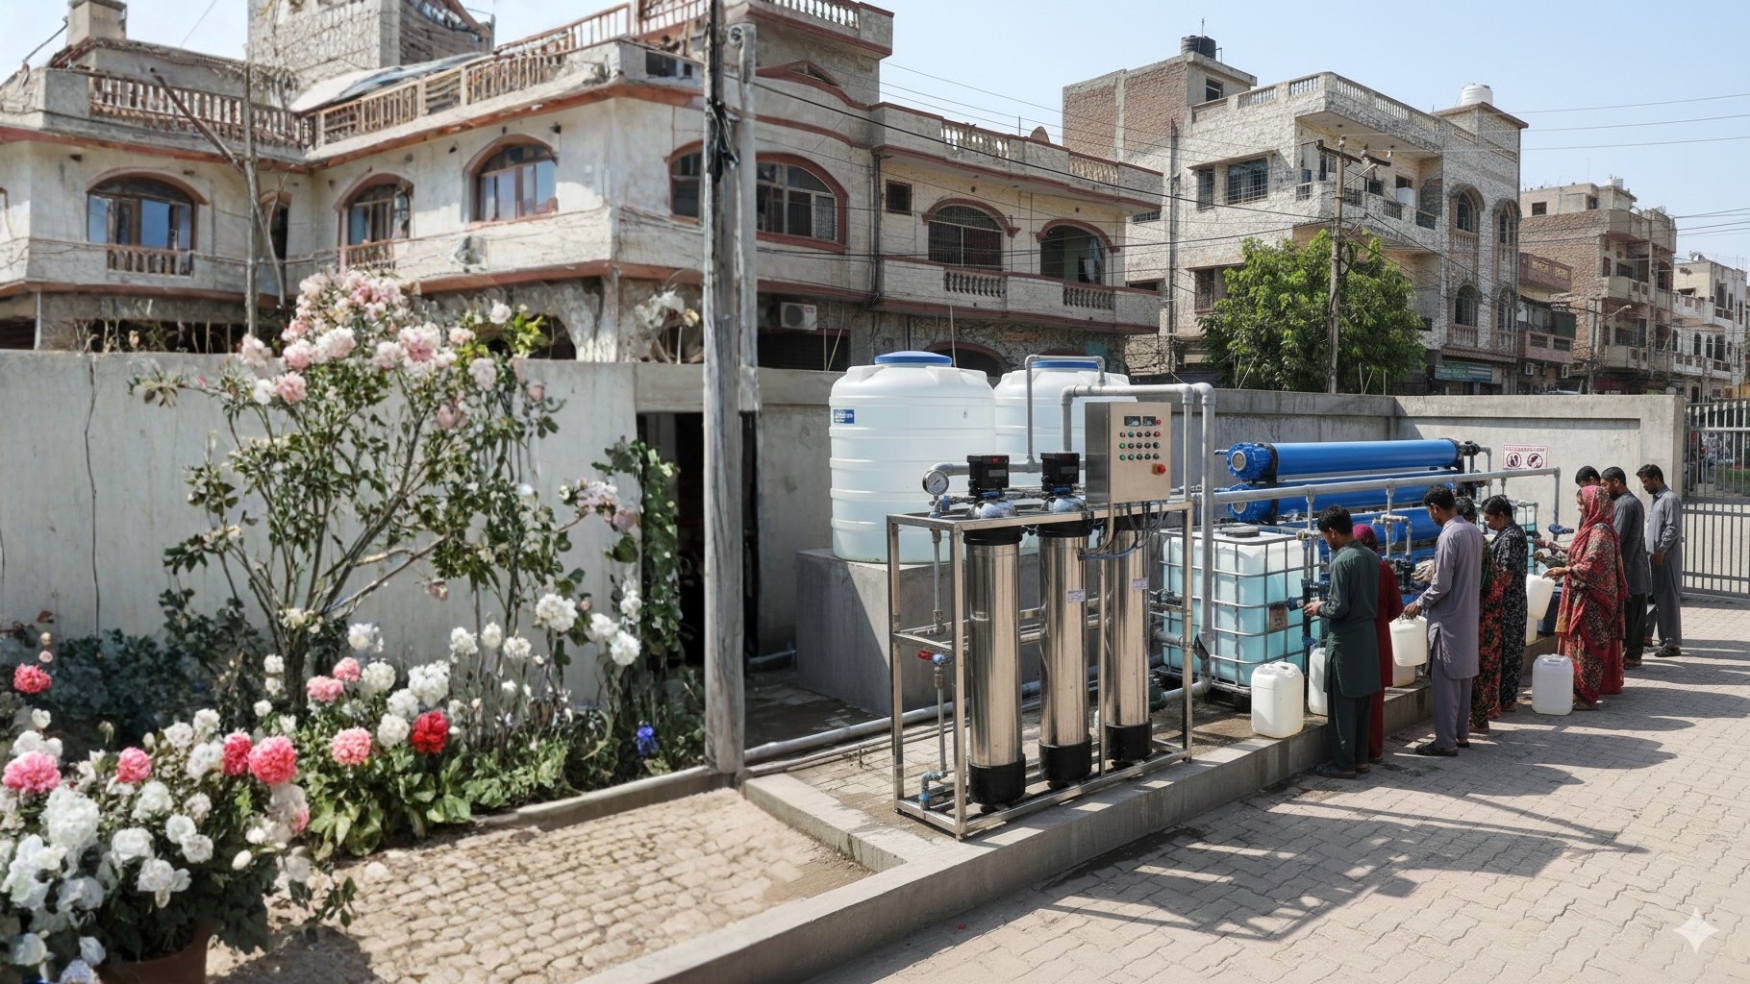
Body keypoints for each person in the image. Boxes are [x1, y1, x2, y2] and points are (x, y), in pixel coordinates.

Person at [1403, 486, 1482, 756]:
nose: (1430, 517)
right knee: (1463, 680)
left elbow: (1442, 584)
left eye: (1429, 512)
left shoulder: (1448, 536)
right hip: (1468, 617)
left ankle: (1445, 742)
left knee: (1446, 684)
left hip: (1448, 620)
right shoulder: (1473, 532)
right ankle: (1460, 735)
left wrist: (1418, 603)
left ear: (1436, 508)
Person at [1304, 506, 1381, 779]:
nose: (1326, 541)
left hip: (1346, 642)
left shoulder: (1341, 561)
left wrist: (1318, 607)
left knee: (1342, 708)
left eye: (1325, 536)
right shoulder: (1371, 557)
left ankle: (1344, 764)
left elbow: (1338, 607)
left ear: (1333, 532)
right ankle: (1360, 760)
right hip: (1367, 640)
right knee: (1362, 704)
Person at [1545, 485, 1628, 708]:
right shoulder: (1592, 528)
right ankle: (1581, 690)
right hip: (1586, 595)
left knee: (1587, 646)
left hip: (1593, 599)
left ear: (1594, 504)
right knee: (1581, 644)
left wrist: (1566, 571)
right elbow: (1578, 554)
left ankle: (1586, 696)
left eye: (1582, 503)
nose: (1579, 508)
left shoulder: (1600, 530)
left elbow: (1591, 564)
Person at [1352, 523, 1403, 764]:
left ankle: (1355, 751)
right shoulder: (1385, 568)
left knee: (1355, 696)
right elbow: (1396, 608)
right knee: (1376, 698)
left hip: (1357, 638)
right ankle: (1374, 749)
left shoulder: (1350, 565)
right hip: (1380, 637)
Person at [1456, 497, 1504, 733]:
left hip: (1480, 613)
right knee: (1485, 666)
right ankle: (1480, 716)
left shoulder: (1469, 539)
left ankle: (1477, 719)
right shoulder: (1479, 539)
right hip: (1489, 612)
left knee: (1475, 667)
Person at [1481, 495, 1529, 711]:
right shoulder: (1510, 533)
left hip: (1508, 603)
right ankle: (1506, 697)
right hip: (1512, 601)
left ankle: (1506, 698)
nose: (1487, 524)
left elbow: (1506, 575)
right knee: (1510, 649)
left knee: (1508, 650)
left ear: (1501, 516)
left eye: (1489, 519)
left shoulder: (1510, 537)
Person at [1601, 467, 1650, 671]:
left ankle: (1632, 655)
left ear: (1617, 482)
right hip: (1634, 569)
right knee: (1635, 616)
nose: (1603, 490)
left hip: (1630, 571)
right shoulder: (1630, 502)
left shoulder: (1624, 504)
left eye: (1605, 485)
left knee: (1633, 617)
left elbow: (1616, 538)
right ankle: (1632, 654)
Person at [1638, 463, 1683, 658]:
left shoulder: (1669, 499)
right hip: (1654, 558)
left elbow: (1672, 528)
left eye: (1646, 482)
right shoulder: (1657, 499)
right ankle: (1650, 636)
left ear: (1657, 479)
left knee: (1668, 600)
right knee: (1655, 600)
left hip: (1664, 559)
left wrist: (1662, 550)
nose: (1644, 486)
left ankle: (1672, 643)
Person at [1533, 466, 1601, 556]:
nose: (1579, 508)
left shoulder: (1601, 525)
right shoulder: (1592, 508)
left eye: (1582, 505)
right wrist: (1557, 547)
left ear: (1592, 480)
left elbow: (1590, 555)